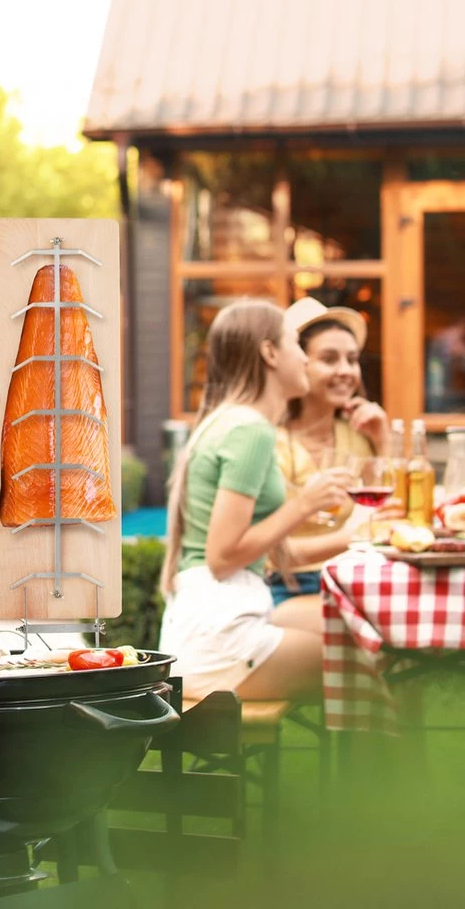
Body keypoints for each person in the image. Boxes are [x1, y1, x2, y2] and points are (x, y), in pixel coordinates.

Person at [158, 300, 353, 702]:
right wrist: (304, 504)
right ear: (270, 353)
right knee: (361, 654)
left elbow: (264, 553)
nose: (304, 358)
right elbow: (223, 556)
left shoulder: (230, 421)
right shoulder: (250, 430)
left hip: (205, 623)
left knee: (353, 629)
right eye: (295, 343)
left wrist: (354, 540)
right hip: (222, 634)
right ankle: (388, 747)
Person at [270, 297, 389, 604]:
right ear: (298, 361)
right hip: (283, 586)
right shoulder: (270, 440)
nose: (345, 370)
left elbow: (393, 515)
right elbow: (270, 553)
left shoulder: (356, 434)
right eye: (329, 359)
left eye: (352, 359)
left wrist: (383, 441)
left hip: (343, 579)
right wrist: (353, 540)